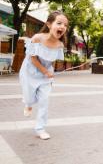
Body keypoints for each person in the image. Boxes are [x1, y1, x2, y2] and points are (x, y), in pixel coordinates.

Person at [19, 11, 68, 140]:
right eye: (59, 23)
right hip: (30, 72)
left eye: (65, 25)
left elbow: (50, 61)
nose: (62, 27)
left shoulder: (60, 45)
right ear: (49, 24)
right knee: (29, 98)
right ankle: (28, 104)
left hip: (45, 76)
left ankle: (40, 129)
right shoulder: (37, 38)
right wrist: (45, 71)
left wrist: (50, 72)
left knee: (44, 101)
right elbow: (33, 59)